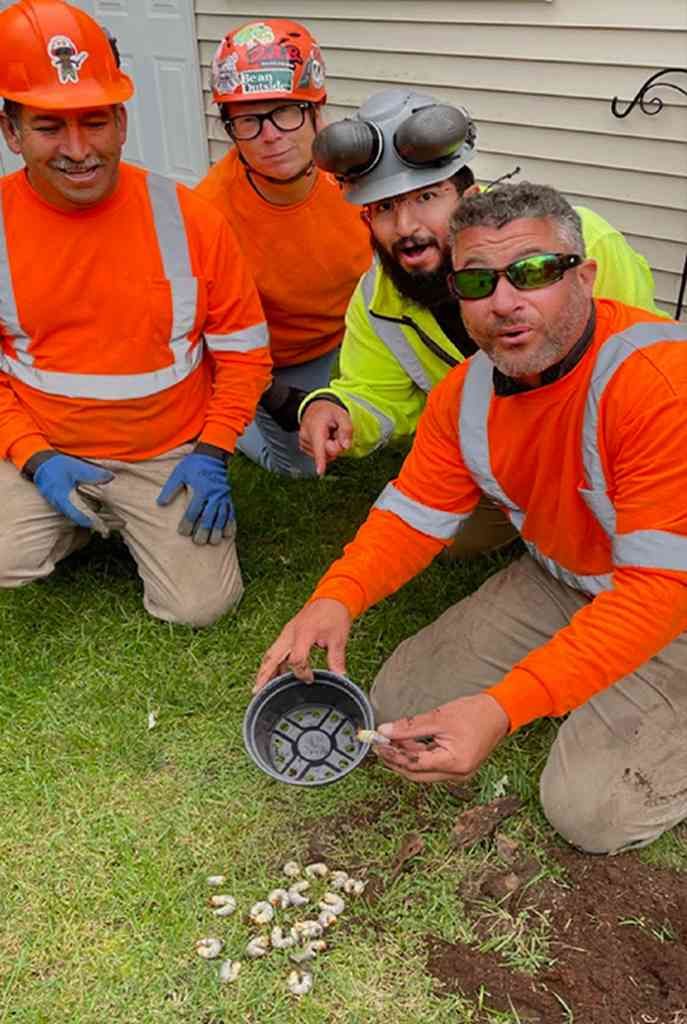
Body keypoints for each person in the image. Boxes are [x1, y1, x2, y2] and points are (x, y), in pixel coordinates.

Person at [256, 183, 687, 855]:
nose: (505, 302)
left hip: (673, 603)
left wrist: (502, 707)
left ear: (585, 276)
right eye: (478, 281)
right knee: (399, 706)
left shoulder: (661, 382)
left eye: (535, 273)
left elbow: (658, 594)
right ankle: (587, 680)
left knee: (591, 813)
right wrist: (335, 597)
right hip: (568, 578)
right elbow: (411, 516)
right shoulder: (468, 391)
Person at [0, 0, 271, 627]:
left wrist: (213, 450)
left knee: (200, 608)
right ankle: (70, 514)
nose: (78, 149)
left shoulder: (192, 218)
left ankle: (116, 518)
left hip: (168, 454)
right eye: (48, 127)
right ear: (11, 132)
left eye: (95, 122)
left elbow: (245, 352)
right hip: (47, 446)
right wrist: (34, 458)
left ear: (122, 121)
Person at [300, 89, 668, 494]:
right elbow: (375, 394)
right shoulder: (377, 299)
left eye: (426, 197)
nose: (405, 227)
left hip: (607, 439)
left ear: (469, 199)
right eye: (384, 208)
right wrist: (335, 408)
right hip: (501, 451)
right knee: (460, 540)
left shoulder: (580, 243)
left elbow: (645, 364)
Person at [195, 19, 371, 478]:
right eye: (249, 120)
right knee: (304, 466)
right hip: (278, 361)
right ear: (230, 127)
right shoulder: (207, 214)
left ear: (318, 110)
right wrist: (272, 397)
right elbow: (208, 333)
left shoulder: (362, 174)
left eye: (286, 111)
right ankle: (220, 404)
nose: (271, 135)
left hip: (358, 335)